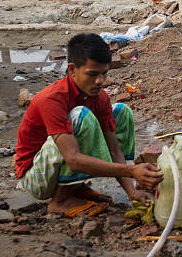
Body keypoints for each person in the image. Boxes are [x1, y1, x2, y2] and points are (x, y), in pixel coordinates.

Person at [15, 33, 163, 217]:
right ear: (72, 69)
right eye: (92, 74)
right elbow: (73, 159)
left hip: (60, 166)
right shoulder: (52, 99)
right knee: (81, 116)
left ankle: (76, 189)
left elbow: (114, 148)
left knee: (121, 112)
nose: (100, 81)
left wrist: (131, 191)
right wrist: (132, 170)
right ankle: (60, 200)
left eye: (104, 73)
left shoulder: (99, 97)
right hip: (36, 178)